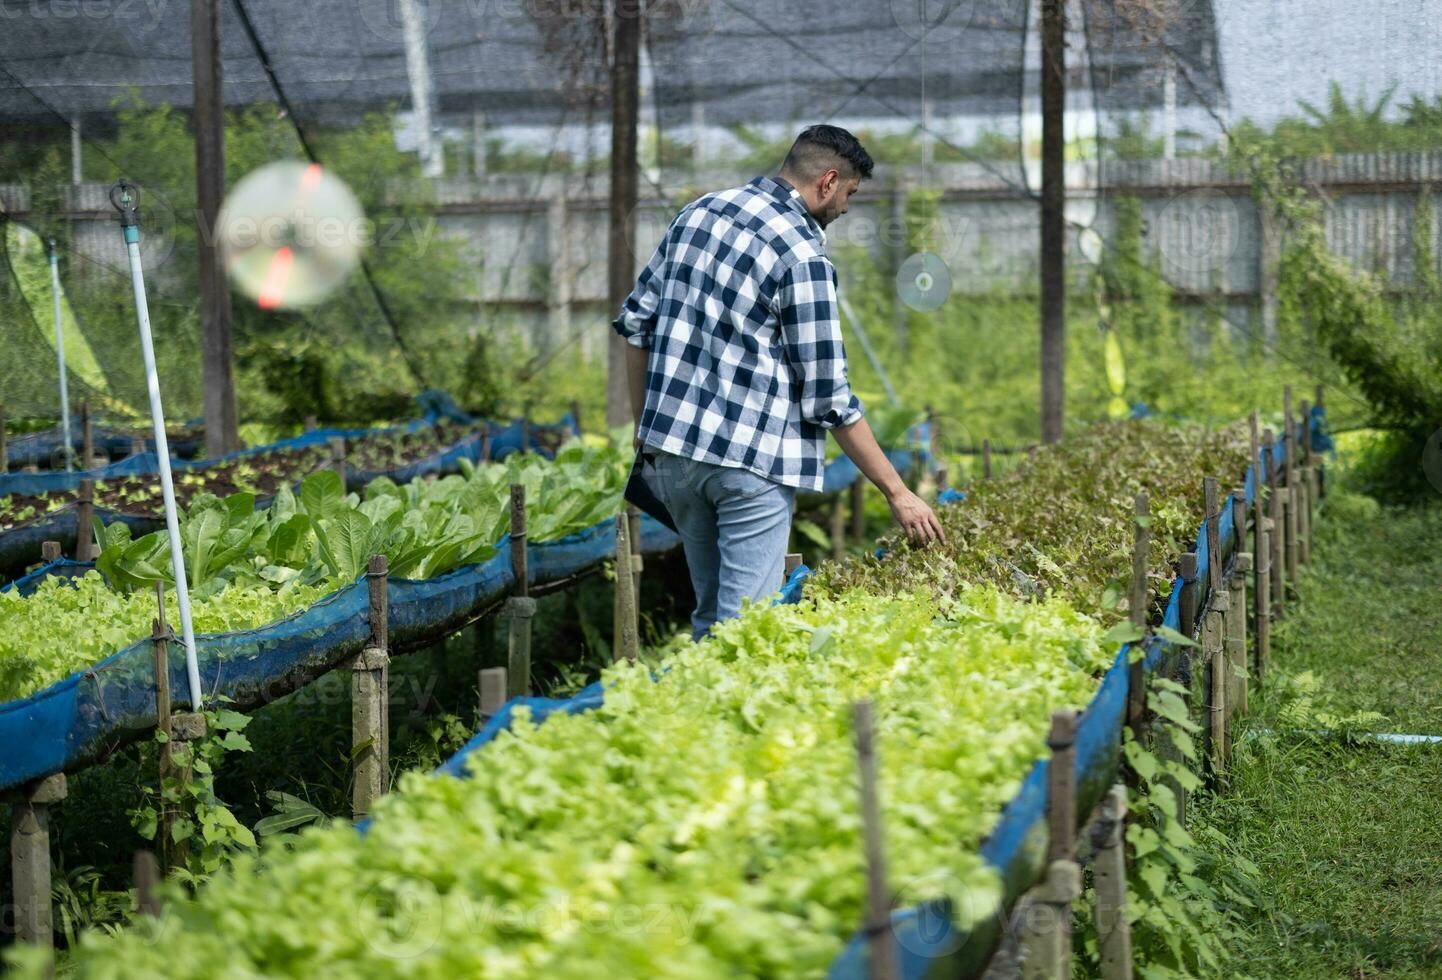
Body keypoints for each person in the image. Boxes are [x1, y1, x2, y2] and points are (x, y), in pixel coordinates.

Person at [613, 124, 945, 640]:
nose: (847, 210)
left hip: (674, 457)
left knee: (710, 618)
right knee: (747, 629)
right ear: (828, 181)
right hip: (750, 466)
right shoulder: (803, 256)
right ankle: (728, 715)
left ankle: (696, 716)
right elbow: (829, 399)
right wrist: (898, 492)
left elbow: (636, 324)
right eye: (850, 194)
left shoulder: (698, 214)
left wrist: (644, 428)